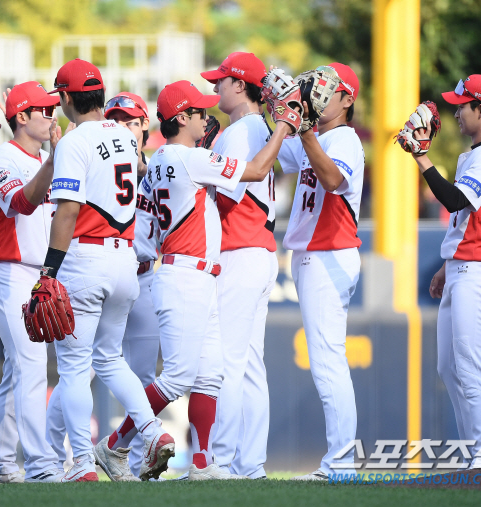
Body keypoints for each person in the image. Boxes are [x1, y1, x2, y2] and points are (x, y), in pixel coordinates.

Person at [103, 79, 293, 481]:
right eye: (200, 112)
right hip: (185, 275)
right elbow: (258, 170)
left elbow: (148, 229)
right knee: (178, 378)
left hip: (190, 273)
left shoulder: (160, 159)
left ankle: (203, 464)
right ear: (182, 117)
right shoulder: (187, 158)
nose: (208, 117)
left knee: (210, 375)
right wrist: (282, 127)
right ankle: (113, 445)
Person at [37, 59, 174, 482]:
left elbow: (67, 212)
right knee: (111, 359)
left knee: (75, 368)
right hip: (124, 262)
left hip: (86, 256)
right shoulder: (125, 137)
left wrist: (48, 271)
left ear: (63, 99)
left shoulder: (74, 142)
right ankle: (151, 431)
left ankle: (81, 462)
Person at [414, 75, 481, 468]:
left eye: (462, 104)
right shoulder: (477, 153)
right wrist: (447, 263)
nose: (456, 111)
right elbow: (466, 216)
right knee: (448, 366)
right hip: (465, 264)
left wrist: (422, 158)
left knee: (470, 364)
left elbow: (454, 198)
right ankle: (476, 452)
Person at [277, 63, 364, 481]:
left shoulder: (344, 137)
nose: (318, 94)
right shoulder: (324, 136)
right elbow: (280, 154)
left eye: (327, 90)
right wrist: (278, 107)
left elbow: (332, 180)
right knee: (327, 361)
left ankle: (342, 463)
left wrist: (305, 129)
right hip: (314, 255)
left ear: (347, 99)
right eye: (315, 88)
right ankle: (340, 461)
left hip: (329, 255)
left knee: (329, 362)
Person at [0, 81, 67, 483]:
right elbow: (21, 203)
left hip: (38, 273)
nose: (51, 114)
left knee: (19, 369)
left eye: (52, 108)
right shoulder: (1, 160)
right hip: (7, 268)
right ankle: (41, 464)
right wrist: (54, 161)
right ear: (21, 117)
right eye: (43, 109)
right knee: (30, 364)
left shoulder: (48, 156)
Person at [200, 52, 277, 480]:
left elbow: (222, 198)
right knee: (249, 365)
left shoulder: (239, 131)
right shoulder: (260, 127)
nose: (216, 88)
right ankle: (251, 464)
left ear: (239, 86)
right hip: (259, 250)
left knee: (228, 362)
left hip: (238, 248)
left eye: (221, 81)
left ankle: (223, 460)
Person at [92, 92, 161, 480]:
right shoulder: (100, 167)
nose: (123, 127)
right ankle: (53, 461)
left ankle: (138, 463)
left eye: (131, 122)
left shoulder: (160, 169)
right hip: (106, 277)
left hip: (145, 275)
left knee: (145, 377)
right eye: (115, 120)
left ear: (145, 130)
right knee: (81, 370)